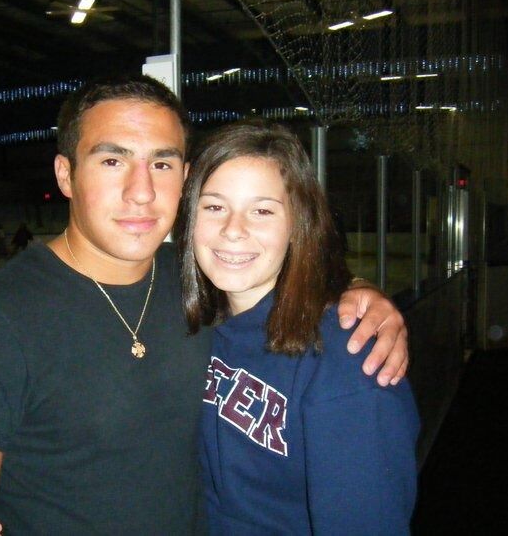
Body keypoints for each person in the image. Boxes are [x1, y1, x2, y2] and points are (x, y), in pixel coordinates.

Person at [0, 76, 408, 535]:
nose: (141, 192)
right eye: (112, 160)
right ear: (65, 174)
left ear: (184, 177)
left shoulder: (196, 287)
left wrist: (357, 293)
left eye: (161, 163)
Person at [174, 119, 418, 533]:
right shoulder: (195, 324)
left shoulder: (349, 358)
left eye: (262, 210)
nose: (233, 230)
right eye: (214, 206)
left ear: (297, 225)